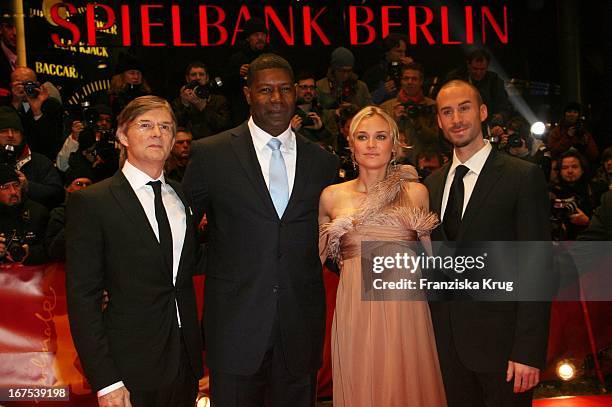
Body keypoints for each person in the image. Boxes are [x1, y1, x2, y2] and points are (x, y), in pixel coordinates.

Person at [182, 53, 338, 407]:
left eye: (285, 89)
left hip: (299, 330)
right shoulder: (211, 155)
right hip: (234, 327)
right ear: (248, 93)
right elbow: (184, 232)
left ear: (297, 92)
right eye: (266, 90)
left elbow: (333, 243)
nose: (277, 98)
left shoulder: (323, 162)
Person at [66, 96, 203, 407]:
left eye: (165, 126)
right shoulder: (92, 203)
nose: (157, 132)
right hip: (128, 368)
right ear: (123, 136)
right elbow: (83, 299)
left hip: (185, 362)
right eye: (145, 125)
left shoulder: (182, 196)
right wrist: (106, 381)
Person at [424, 80, 551, 406]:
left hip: (504, 352)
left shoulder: (522, 177)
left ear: (481, 112)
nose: (456, 119)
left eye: (464, 108)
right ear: (439, 121)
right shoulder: (431, 185)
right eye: (447, 112)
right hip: (447, 352)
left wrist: (528, 351)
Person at [319, 106, 447, 407]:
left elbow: (432, 266)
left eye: (380, 136)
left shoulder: (417, 193)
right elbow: (313, 264)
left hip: (407, 312)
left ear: (395, 144)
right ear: (351, 145)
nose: (372, 144)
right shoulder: (331, 196)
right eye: (363, 137)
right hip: (356, 311)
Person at [0, 164, 49, 266]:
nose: (13, 192)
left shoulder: (38, 212)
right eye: (5, 187)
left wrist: (30, 253)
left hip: (33, 275)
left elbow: (51, 249)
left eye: (16, 185)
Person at [171, 61, 231, 139]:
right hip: (189, 144)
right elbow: (175, 127)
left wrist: (203, 107)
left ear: (207, 78)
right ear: (187, 78)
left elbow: (224, 126)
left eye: (201, 74)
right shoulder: (178, 102)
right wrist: (185, 104)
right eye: (193, 75)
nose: (198, 77)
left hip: (214, 143)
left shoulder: (219, 100)